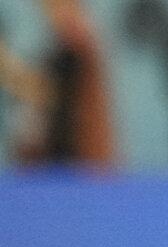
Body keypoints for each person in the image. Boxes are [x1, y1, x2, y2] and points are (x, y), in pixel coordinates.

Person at [0, 0, 116, 167]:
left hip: (79, 159)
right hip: (50, 156)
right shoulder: (55, 50)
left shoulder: (82, 49)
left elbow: (45, 92)